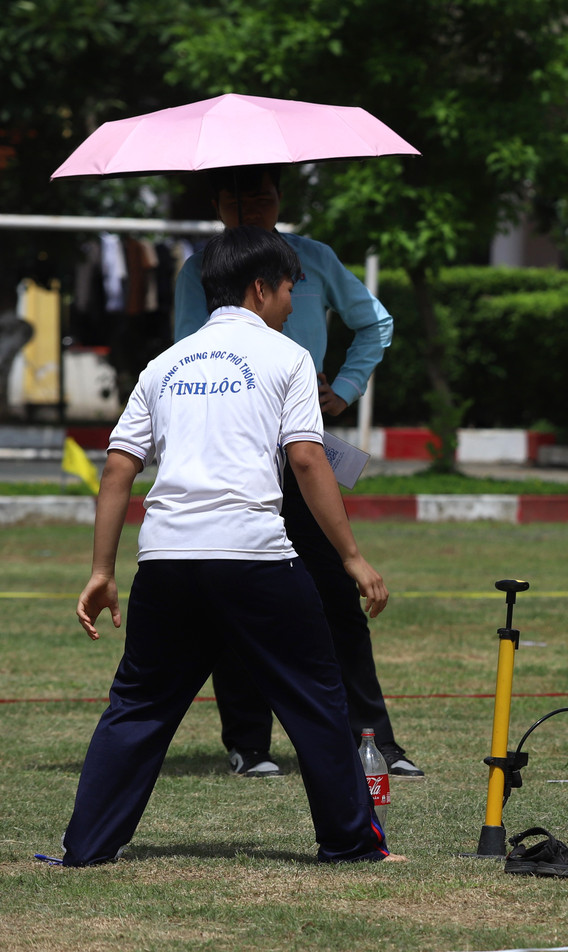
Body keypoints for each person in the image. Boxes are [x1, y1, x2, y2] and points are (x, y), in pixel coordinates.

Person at [60, 226, 404, 866]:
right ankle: (352, 843)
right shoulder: (288, 358)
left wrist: (103, 570)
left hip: (165, 560)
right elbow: (307, 460)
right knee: (316, 699)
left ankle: (85, 846)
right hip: (253, 558)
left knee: (136, 707)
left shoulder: (164, 364)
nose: (293, 305)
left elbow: (116, 468)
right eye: (290, 291)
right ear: (260, 287)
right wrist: (353, 557)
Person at [174, 164, 422, 779]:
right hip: (236, 453)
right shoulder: (196, 270)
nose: (250, 203)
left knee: (338, 597)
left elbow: (376, 322)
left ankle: (374, 741)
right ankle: (248, 744)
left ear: (280, 199)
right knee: (239, 595)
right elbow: (184, 345)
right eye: (236, 194)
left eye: (263, 192)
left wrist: (343, 387)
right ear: (216, 204)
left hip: (305, 446)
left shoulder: (312, 258)